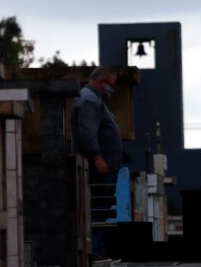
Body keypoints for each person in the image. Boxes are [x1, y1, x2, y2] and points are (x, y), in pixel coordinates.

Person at [71, 66, 124, 261]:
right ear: (101, 81)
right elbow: (87, 132)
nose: (112, 88)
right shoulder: (90, 100)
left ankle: (98, 249)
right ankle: (95, 251)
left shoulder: (94, 99)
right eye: (111, 84)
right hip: (100, 165)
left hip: (107, 163)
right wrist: (98, 157)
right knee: (98, 208)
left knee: (103, 207)